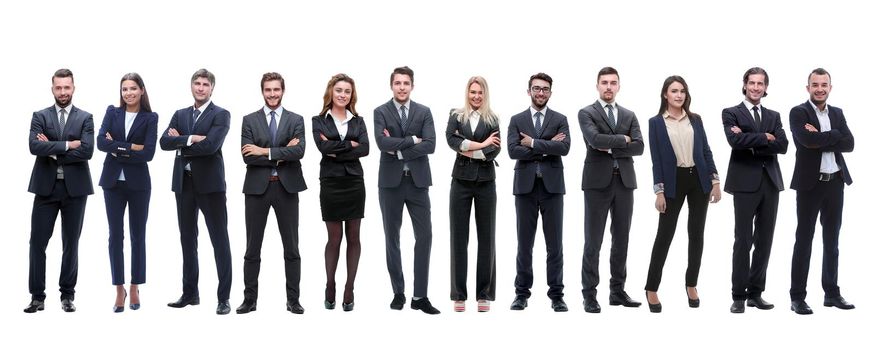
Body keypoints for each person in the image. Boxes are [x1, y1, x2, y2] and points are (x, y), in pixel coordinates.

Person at [160, 69, 233, 315]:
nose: (200, 88)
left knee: (219, 240)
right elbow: (163, 143)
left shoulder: (221, 114)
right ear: (191, 86)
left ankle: (223, 298)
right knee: (187, 240)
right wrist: (192, 138)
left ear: (212, 88)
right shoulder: (180, 114)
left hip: (210, 186)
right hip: (184, 184)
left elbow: (212, 146)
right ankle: (190, 293)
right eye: (197, 83)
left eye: (205, 84)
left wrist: (180, 142)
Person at [645, 75, 721, 313]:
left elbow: (706, 150)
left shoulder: (696, 120)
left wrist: (715, 180)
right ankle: (651, 287)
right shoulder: (656, 122)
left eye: (682, 91)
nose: (679, 95)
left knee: (696, 233)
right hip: (672, 181)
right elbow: (656, 159)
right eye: (674, 91)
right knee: (664, 235)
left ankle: (691, 284)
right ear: (665, 95)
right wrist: (659, 191)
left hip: (698, 179)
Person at [235, 72, 307, 315]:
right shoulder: (249, 120)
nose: (272, 94)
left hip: (287, 188)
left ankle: (293, 300)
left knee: (292, 248)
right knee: (252, 247)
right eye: (268, 90)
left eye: (276, 90)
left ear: (283, 91)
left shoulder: (296, 119)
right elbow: (247, 156)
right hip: (257, 189)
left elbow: (299, 153)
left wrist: (263, 151)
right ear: (262, 91)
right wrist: (280, 151)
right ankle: (249, 300)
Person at [25, 68, 94, 313]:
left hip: (76, 190)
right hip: (46, 188)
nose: (63, 92)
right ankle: (37, 297)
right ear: (52, 88)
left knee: (71, 243)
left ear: (73, 88)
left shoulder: (85, 117)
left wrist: (51, 148)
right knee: (37, 243)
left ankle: (67, 295)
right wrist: (67, 144)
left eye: (67, 87)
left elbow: (87, 151)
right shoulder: (40, 116)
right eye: (58, 87)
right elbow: (34, 146)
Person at [788, 68, 855, 315]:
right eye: (815, 85)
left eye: (824, 85)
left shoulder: (837, 113)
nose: (819, 89)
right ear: (808, 88)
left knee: (832, 241)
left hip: (835, 182)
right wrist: (831, 136)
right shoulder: (799, 112)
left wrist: (823, 136)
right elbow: (807, 141)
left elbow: (849, 143)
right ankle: (797, 297)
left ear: (830, 87)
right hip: (810, 185)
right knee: (803, 241)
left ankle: (832, 294)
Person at [373, 66, 440, 314]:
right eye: (398, 83)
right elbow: (382, 143)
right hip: (390, 184)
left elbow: (431, 145)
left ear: (412, 86)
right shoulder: (380, 111)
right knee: (392, 237)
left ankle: (420, 296)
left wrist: (398, 149)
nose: (402, 87)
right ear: (391, 85)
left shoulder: (424, 112)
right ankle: (398, 293)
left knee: (425, 236)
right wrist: (413, 140)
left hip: (418, 183)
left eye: (406, 83)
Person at [577, 67, 644, 313]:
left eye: (613, 83)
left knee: (622, 239)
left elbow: (639, 147)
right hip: (596, 183)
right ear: (597, 86)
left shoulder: (629, 114)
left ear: (619, 86)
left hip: (625, 182)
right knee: (593, 241)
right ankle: (589, 295)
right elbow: (594, 140)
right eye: (604, 82)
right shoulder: (586, 112)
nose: (608, 87)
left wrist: (612, 144)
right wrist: (623, 140)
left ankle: (617, 291)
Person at [722, 67, 787, 313]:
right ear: (745, 84)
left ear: (766, 87)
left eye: (761, 84)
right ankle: (738, 295)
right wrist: (766, 138)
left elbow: (783, 146)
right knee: (743, 240)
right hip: (744, 183)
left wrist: (753, 138)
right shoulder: (731, 112)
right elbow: (734, 141)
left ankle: (755, 293)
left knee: (765, 240)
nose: (756, 87)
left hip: (770, 182)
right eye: (752, 83)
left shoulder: (774, 115)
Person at [507, 72, 571, 312]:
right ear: (529, 91)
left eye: (545, 89)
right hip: (525, 189)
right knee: (524, 244)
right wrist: (547, 145)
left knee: (555, 245)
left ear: (550, 93)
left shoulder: (560, 118)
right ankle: (521, 293)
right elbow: (513, 151)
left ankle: (557, 295)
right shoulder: (516, 120)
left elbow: (564, 148)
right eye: (536, 88)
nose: (541, 92)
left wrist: (533, 143)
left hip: (552, 188)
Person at [96, 73, 158, 312]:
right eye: (124, 89)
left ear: (142, 90)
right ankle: (118, 288)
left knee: (138, 236)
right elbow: (101, 142)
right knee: (115, 236)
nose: (128, 93)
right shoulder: (112, 112)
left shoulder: (150, 118)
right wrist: (132, 146)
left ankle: (134, 286)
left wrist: (117, 147)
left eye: (133, 88)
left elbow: (149, 153)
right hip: (112, 183)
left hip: (139, 185)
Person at [312, 73, 370, 312]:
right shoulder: (318, 120)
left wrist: (336, 148)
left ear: (351, 95)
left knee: (354, 237)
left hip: (355, 183)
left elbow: (365, 149)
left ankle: (349, 287)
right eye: (339, 90)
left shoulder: (358, 121)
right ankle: (330, 284)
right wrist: (350, 145)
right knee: (334, 238)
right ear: (331, 92)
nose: (343, 95)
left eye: (347, 91)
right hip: (331, 183)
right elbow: (322, 148)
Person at [445, 76, 501, 312]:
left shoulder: (493, 118)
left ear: (485, 94)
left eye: (480, 93)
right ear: (467, 93)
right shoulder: (456, 115)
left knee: (486, 238)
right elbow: (451, 140)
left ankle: (484, 293)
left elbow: (494, 149)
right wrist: (481, 144)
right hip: (460, 182)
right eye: (473, 92)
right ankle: (459, 294)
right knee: (459, 238)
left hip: (486, 182)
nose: (476, 96)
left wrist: (466, 148)